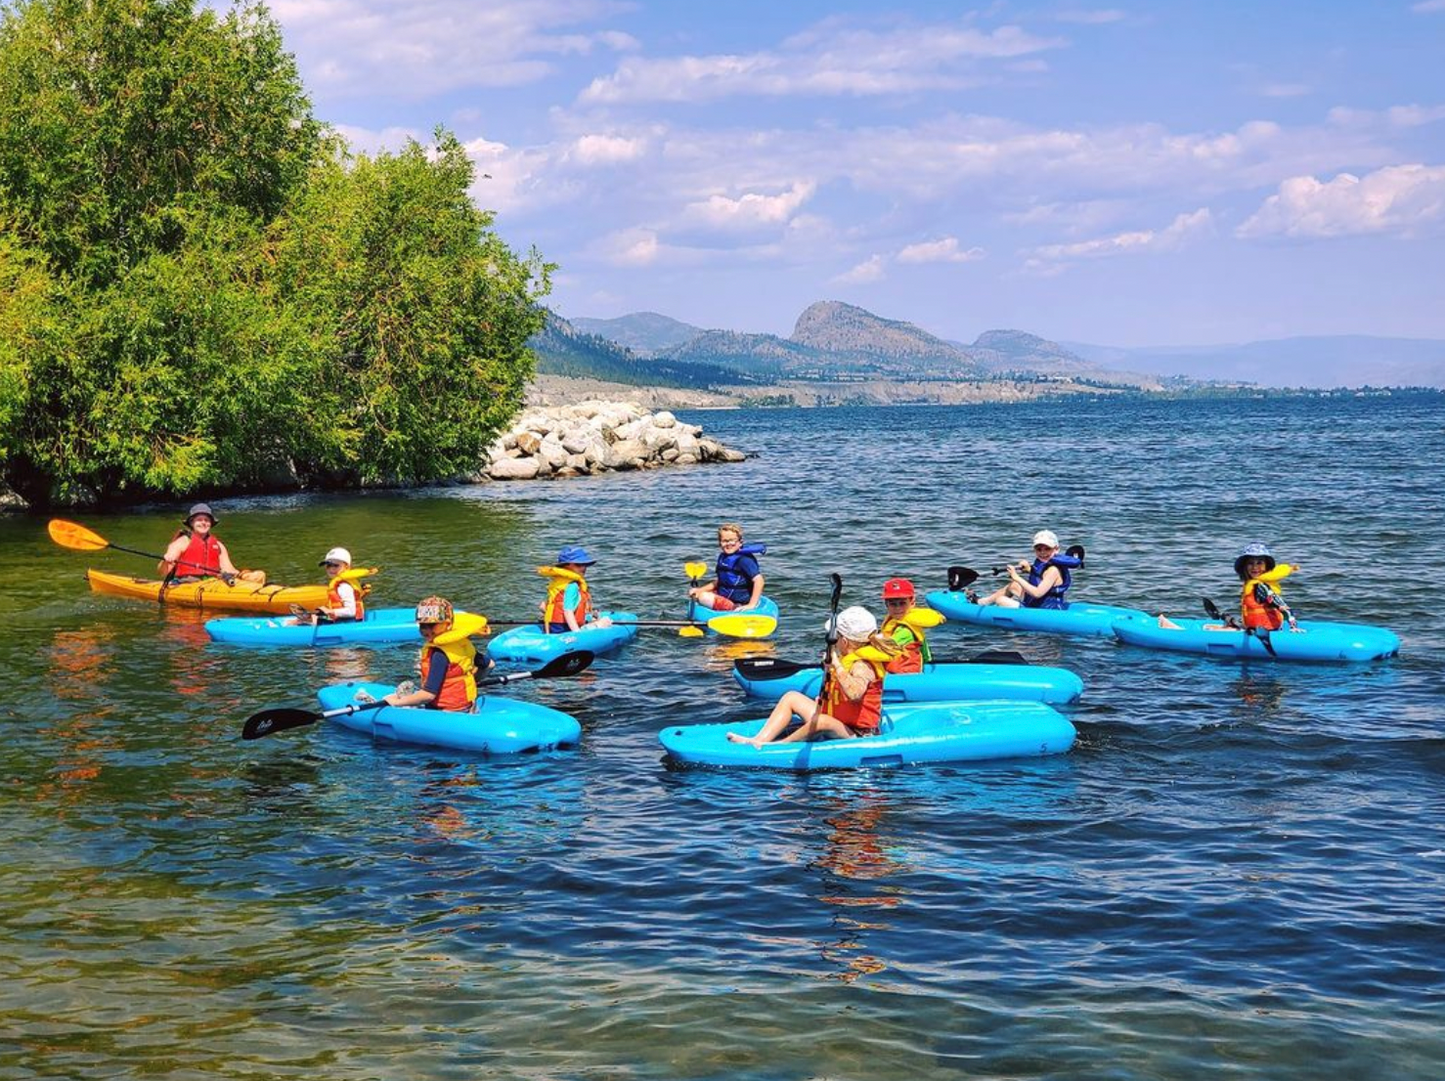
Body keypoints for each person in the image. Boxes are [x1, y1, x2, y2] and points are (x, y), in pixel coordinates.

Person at [727, 606, 901, 746]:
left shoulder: (863, 665)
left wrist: (837, 665)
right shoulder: (848, 658)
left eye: (835, 637)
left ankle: (778, 746)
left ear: (845, 641)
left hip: (859, 734)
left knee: (822, 721)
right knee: (791, 697)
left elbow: (855, 694)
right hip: (840, 721)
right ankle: (759, 739)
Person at [380, 597, 494, 711]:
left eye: (432, 625)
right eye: (423, 625)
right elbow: (490, 665)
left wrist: (397, 702)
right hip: (467, 706)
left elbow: (429, 695)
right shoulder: (463, 644)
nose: (426, 630)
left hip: (445, 711)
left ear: (448, 624)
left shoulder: (439, 654)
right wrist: (472, 682)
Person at [972, 530, 1081, 610]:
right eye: (1039, 549)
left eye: (1047, 549)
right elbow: (1041, 576)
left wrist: (1017, 577)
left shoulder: (1053, 570)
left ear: (1056, 549)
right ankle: (982, 602)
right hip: (1037, 603)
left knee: (1001, 600)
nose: (1043, 553)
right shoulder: (1046, 565)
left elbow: (1038, 593)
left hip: (1046, 609)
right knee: (1014, 585)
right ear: (1034, 549)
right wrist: (1029, 570)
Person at [688, 523, 766, 611]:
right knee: (696, 593)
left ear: (740, 543)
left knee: (703, 597)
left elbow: (759, 581)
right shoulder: (723, 557)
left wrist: (751, 605)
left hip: (739, 602)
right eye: (724, 541)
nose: (728, 544)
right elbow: (720, 581)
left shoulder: (744, 560)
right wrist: (700, 590)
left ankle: (733, 609)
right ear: (719, 543)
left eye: (732, 540)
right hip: (725, 597)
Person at [158, 503, 240, 583]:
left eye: (207, 520)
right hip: (186, 583)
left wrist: (245, 575)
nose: (203, 523)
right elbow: (163, 572)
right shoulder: (181, 542)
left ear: (210, 524)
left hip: (212, 582)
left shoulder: (218, 545)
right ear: (192, 523)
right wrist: (166, 561)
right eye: (199, 520)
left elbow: (230, 570)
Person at [538, 546, 612, 632]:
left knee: (594, 619)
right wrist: (577, 633)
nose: (583, 568)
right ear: (566, 566)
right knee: (605, 621)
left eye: (585, 565)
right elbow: (568, 612)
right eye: (579, 565)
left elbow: (542, 607)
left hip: (550, 627)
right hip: (564, 629)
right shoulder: (572, 585)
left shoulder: (556, 583)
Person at [878, 578, 944, 674]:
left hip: (906, 675)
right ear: (886, 605)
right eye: (893, 604)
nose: (898, 608)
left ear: (912, 602)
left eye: (902, 603)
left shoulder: (905, 631)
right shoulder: (893, 623)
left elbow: (885, 648)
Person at [294, 547, 371, 624]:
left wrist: (330, 611)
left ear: (346, 567)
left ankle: (299, 624)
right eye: (328, 565)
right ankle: (306, 619)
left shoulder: (344, 586)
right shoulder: (341, 584)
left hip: (349, 623)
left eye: (335, 565)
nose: (331, 569)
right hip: (342, 620)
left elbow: (351, 611)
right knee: (310, 618)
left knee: (297, 622)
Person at [1236, 543, 1301, 633]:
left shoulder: (1261, 587)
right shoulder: (1250, 584)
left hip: (1268, 630)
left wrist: (1293, 627)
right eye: (1250, 563)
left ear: (1267, 566)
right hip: (1253, 628)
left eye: (1259, 563)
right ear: (1245, 567)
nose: (1255, 567)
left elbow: (1282, 607)